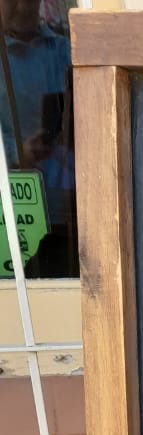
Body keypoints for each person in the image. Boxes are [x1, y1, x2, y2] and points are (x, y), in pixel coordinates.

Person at [0, 0, 75, 272]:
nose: (22, 6)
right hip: (11, 211)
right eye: (12, 0)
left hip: (68, 212)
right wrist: (17, 152)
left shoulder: (66, 51)